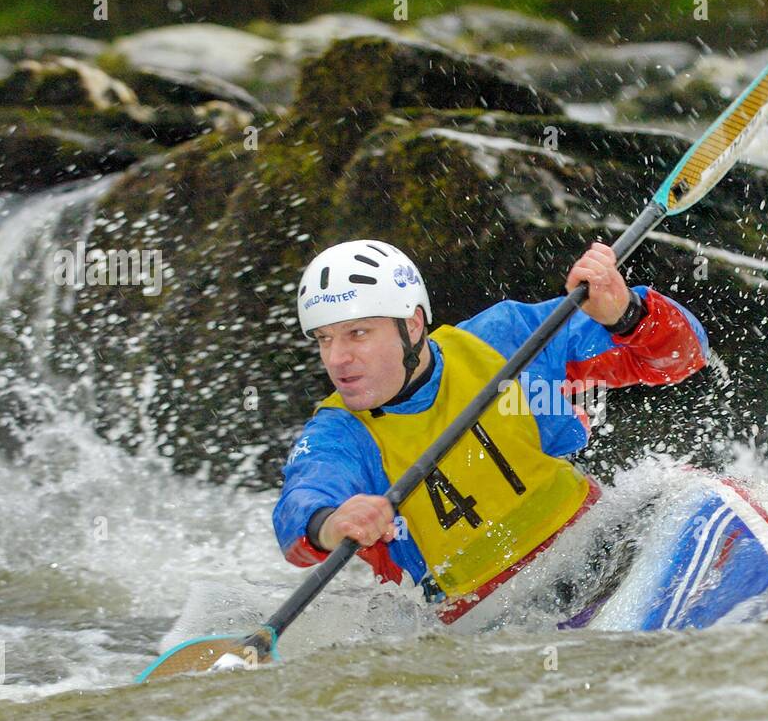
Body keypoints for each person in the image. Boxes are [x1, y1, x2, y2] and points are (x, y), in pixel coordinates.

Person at [272, 238, 709, 625]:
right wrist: (329, 525)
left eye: (357, 333)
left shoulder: (505, 340)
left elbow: (682, 357)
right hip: (489, 617)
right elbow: (302, 504)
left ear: (412, 325)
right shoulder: (338, 434)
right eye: (325, 339)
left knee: (696, 491)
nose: (337, 358)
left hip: (597, 544)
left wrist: (625, 314)